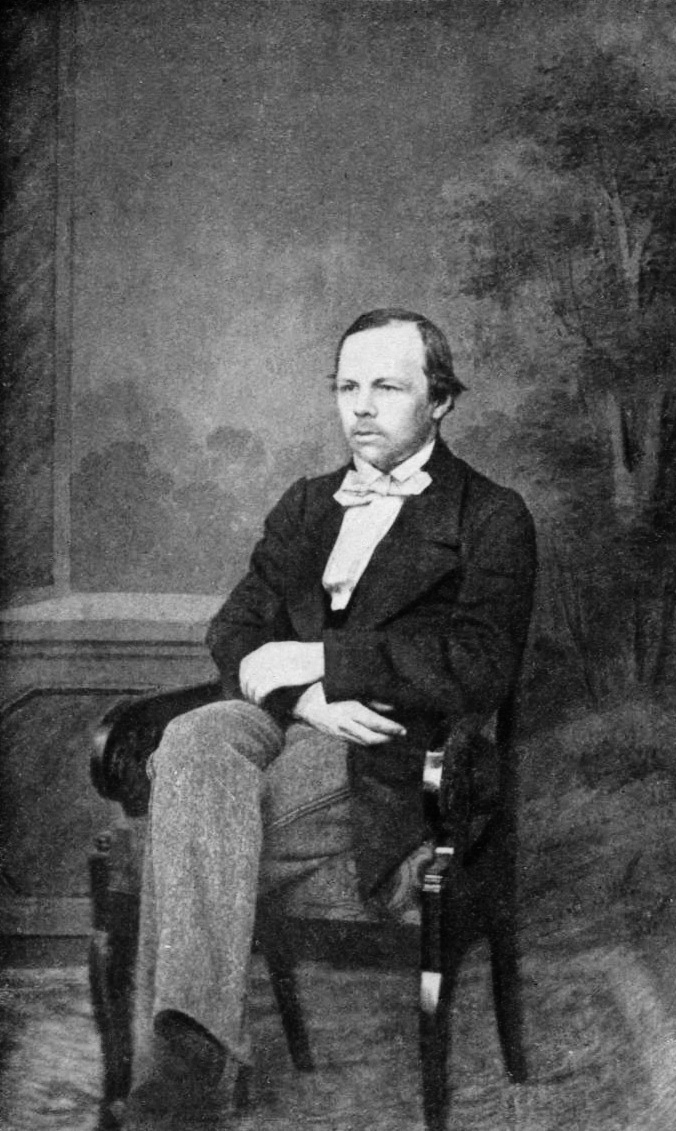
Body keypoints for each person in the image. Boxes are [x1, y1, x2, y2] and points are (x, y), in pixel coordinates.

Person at [123, 309, 537, 1129]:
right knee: (193, 738)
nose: (361, 407)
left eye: (386, 387)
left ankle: (184, 1077)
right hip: (289, 722)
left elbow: (480, 664)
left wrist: (321, 660)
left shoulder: (491, 515)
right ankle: (193, 1059)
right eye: (347, 387)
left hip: (392, 753)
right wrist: (304, 698)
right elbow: (235, 629)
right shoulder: (309, 503)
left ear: (440, 400)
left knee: (186, 810)